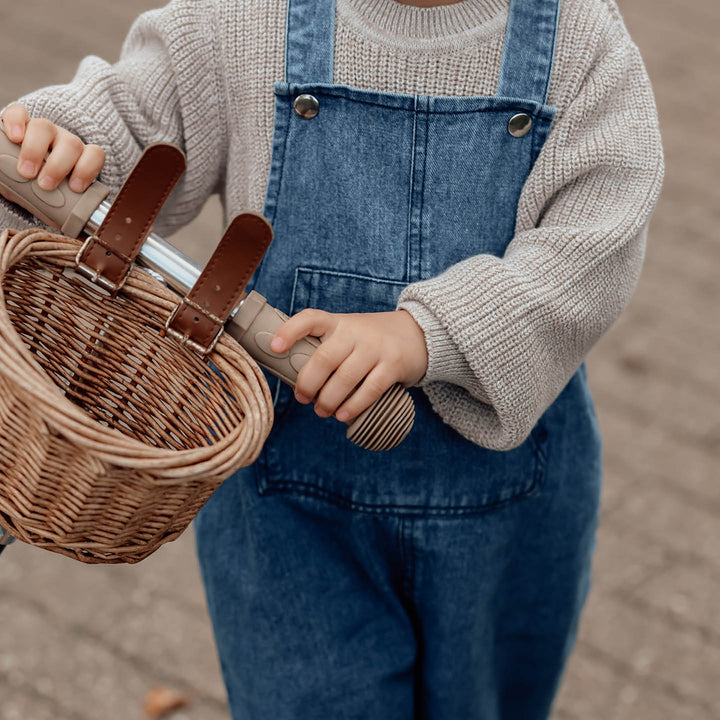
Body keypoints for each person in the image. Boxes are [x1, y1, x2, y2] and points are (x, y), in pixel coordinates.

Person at [0, 0, 663, 717]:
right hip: (289, 513)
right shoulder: (244, 20)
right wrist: (63, 143)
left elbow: (595, 238)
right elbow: (131, 113)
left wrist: (428, 332)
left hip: (505, 510)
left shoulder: (578, 38)